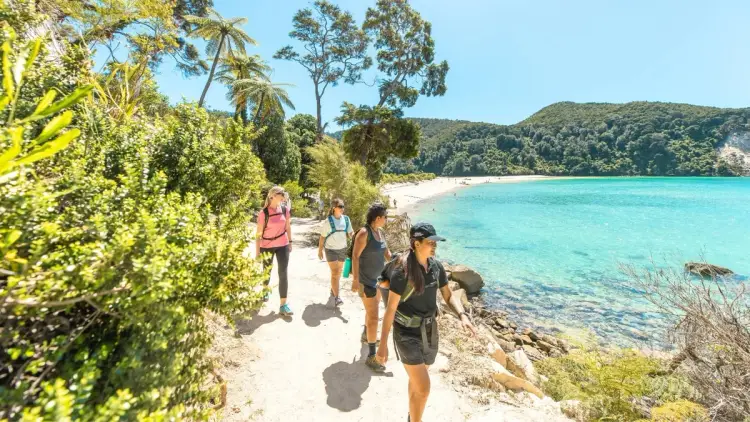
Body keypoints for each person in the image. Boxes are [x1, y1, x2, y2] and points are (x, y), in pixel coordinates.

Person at [377, 223, 477, 422]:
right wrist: (382, 345)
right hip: (406, 334)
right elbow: (390, 310)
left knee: (417, 384)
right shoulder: (402, 271)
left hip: (430, 332)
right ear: (416, 243)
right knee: (424, 388)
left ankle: (412, 416)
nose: (434, 246)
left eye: (435, 242)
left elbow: (448, 296)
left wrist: (463, 315)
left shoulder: (436, 267)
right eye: (430, 242)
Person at [351, 203, 392, 371]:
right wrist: (355, 280)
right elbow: (355, 256)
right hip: (365, 282)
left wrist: (403, 262)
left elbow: (387, 255)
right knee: (374, 316)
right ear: (378, 218)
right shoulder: (364, 233)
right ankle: (371, 356)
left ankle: (366, 334)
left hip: (378, 281)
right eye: (385, 217)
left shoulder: (380, 233)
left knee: (371, 313)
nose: (386, 220)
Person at [256, 186, 293, 316]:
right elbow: (258, 235)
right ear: (272, 196)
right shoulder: (263, 213)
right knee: (266, 271)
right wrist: (257, 252)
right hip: (266, 245)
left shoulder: (285, 209)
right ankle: (265, 290)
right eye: (280, 193)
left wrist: (290, 242)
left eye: (283, 193)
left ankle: (283, 305)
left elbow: (287, 226)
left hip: (282, 244)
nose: (283, 195)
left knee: (283, 273)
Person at [317, 198, 353, 306]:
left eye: (343, 206)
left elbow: (350, 233)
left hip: (342, 249)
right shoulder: (328, 221)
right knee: (335, 273)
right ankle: (337, 298)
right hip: (331, 250)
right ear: (334, 208)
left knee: (338, 273)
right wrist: (320, 251)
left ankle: (333, 291)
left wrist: (356, 238)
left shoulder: (346, 219)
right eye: (340, 206)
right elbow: (322, 237)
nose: (342, 208)